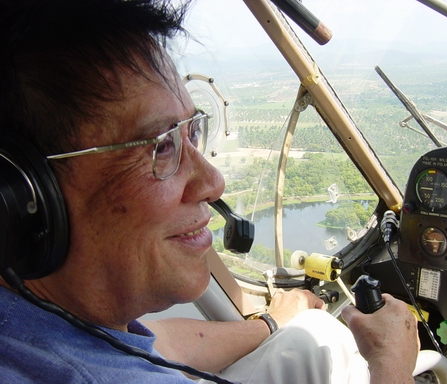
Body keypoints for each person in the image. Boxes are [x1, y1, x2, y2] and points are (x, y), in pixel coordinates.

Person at [0, 0, 419, 383]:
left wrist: (270, 323)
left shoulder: (35, 323)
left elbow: (156, 344)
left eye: (191, 131)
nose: (213, 182)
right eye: (162, 145)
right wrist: (390, 363)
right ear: (21, 197)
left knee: (310, 334)